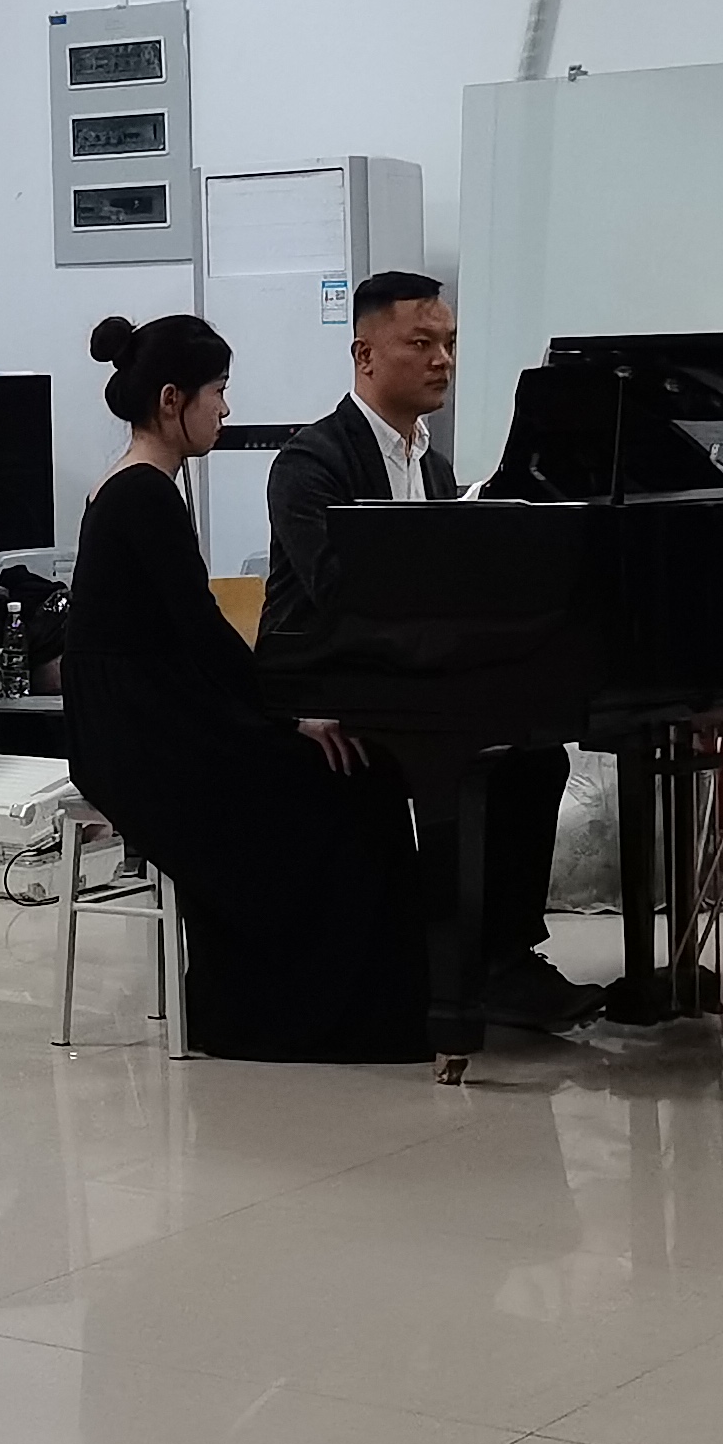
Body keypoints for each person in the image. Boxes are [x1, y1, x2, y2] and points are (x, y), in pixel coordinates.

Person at [61, 311, 432, 1062]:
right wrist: (289, 718)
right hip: (142, 735)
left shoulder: (129, 487)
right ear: (173, 400)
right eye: (218, 392)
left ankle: (349, 1003)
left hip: (144, 716)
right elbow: (201, 634)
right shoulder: (144, 494)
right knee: (347, 779)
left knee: (344, 771)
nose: (226, 410)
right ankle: (320, 1012)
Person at [259, 270, 603, 1040]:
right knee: (474, 768)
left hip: (407, 681)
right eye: (421, 342)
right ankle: (457, 972)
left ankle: (500, 957)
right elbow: (337, 593)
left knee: (535, 757)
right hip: (326, 689)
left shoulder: (435, 467)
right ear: (365, 355)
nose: (442, 359)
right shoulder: (311, 462)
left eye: (449, 343)